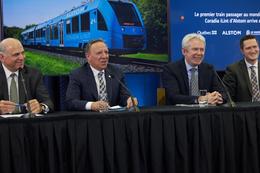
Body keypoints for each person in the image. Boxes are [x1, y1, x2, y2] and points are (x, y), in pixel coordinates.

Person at [65, 39, 137, 112]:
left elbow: (123, 96)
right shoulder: (77, 74)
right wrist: (92, 105)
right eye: (99, 53)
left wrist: (129, 100)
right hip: (91, 120)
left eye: (106, 52)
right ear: (88, 56)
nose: (105, 56)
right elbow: (71, 102)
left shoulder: (116, 72)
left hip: (113, 118)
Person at [162, 33, 225, 105]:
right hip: (180, 114)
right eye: (195, 49)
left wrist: (218, 97)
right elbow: (173, 96)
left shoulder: (209, 69)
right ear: (184, 51)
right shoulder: (171, 69)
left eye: (202, 50)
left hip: (205, 114)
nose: (199, 53)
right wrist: (200, 99)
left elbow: (223, 93)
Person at [0, 38, 53, 115]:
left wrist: (41, 107)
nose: (22, 57)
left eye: (23, 53)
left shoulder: (34, 74)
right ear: (1, 57)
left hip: (26, 124)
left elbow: (48, 103)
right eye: (16, 54)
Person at [223, 35, 260, 102]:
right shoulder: (233, 70)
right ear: (242, 51)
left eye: (255, 47)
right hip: (244, 111)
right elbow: (227, 97)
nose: (253, 51)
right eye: (248, 48)